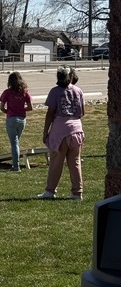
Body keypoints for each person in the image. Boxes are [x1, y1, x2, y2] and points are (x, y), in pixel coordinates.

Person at [38, 65, 85, 201]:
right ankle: (77, 192)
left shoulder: (54, 92)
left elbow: (50, 113)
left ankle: (50, 190)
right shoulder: (78, 91)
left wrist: (45, 132)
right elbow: (82, 112)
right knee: (75, 163)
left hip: (60, 131)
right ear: (70, 76)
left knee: (56, 163)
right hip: (76, 130)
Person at [0, 71, 33, 171]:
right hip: (22, 119)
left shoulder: (7, 92)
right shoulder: (25, 92)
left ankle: (16, 166)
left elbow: (1, 107)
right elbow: (30, 107)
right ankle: (16, 164)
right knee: (17, 141)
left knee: (14, 143)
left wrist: (8, 111)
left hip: (11, 118)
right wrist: (22, 109)